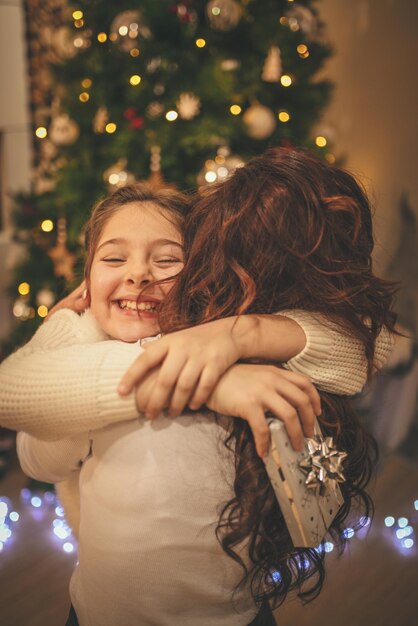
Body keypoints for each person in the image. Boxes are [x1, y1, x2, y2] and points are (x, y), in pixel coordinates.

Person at [1, 148, 394, 625]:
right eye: (113, 257)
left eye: (167, 259)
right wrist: (68, 331)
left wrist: (237, 339)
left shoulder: (221, 332)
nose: (138, 273)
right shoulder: (84, 348)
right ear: (86, 279)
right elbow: (27, 431)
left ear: (204, 273)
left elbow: (360, 353)